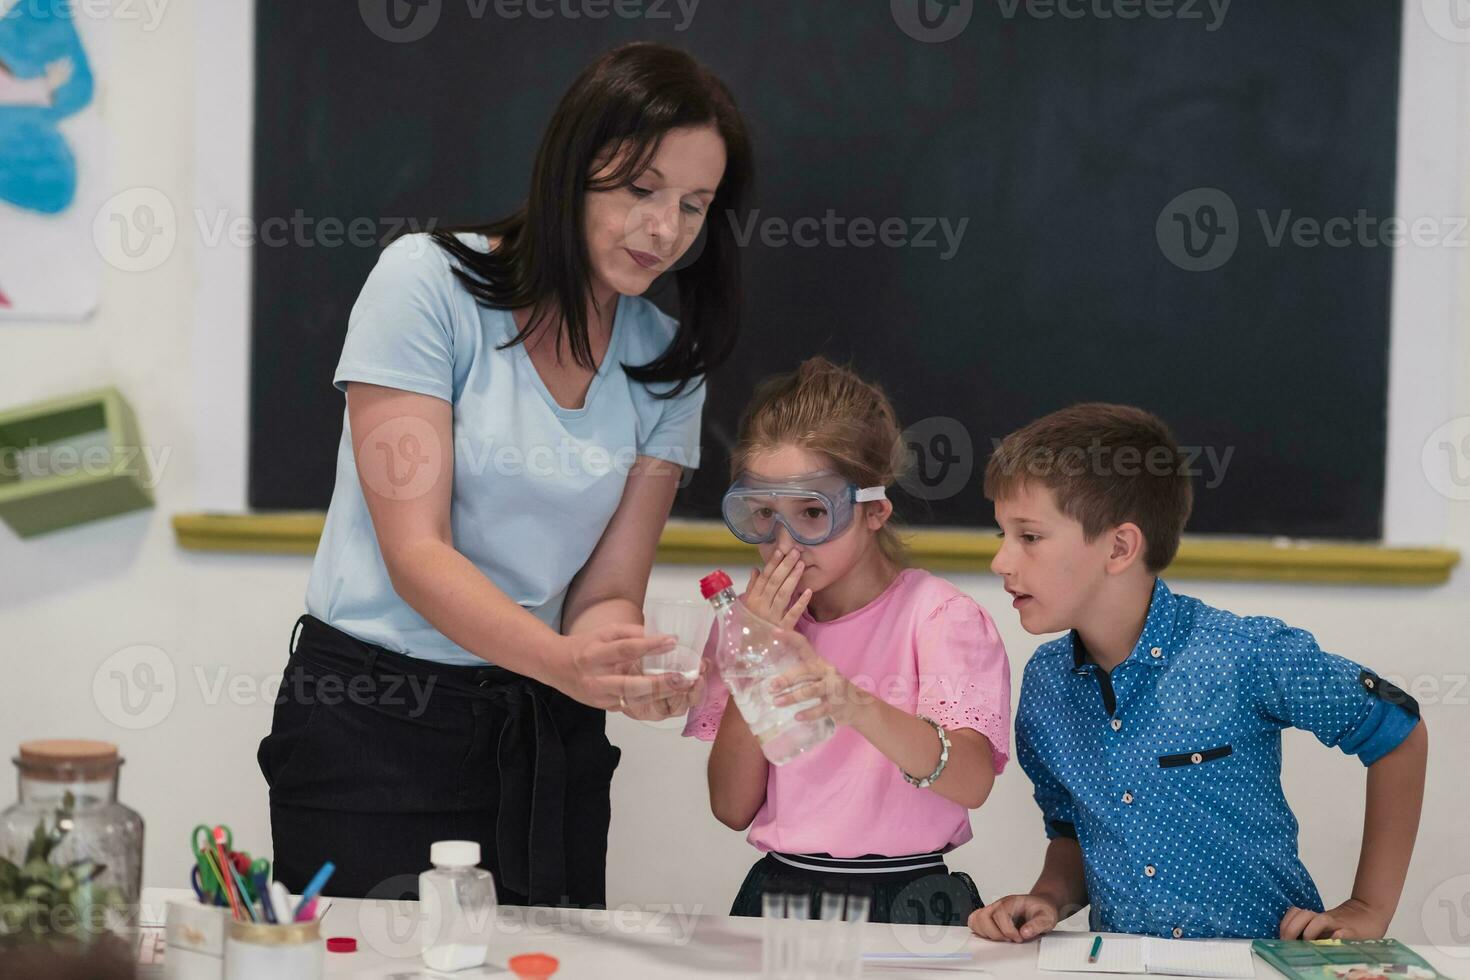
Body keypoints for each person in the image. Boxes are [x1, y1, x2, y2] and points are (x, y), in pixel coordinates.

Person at [258, 42, 754, 906]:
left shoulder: (667, 361)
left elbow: (607, 584)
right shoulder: (428, 284)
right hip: (376, 720)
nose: (665, 230)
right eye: (640, 189)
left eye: (694, 205)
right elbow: (417, 553)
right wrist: (563, 662)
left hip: (545, 732)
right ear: (572, 166)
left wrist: (615, 663)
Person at [970, 403, 1428, 941]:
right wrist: (1048, 897)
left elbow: (1398, 733)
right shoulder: (1047, 683)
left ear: (1119, 547)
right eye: (1001, 534)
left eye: (1028, 536)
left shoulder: (1245, 653)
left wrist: (1368, 907)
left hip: (1261, 960)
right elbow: (1073, 831)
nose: (1001, 561)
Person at [683, 358, 1011, 926]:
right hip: (778, 895)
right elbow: (731, 808)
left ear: (875, 509)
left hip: (908, 897)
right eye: (762, 514)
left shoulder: (939, 618)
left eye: (813, 512)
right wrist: (753, 656)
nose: (782, 542)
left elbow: (972, 780)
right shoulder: (746, 622)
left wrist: (851, 700)